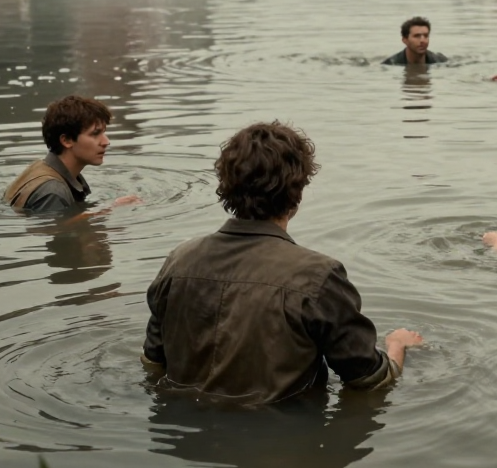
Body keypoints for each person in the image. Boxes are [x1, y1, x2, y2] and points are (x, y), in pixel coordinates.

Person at [142, 121, 423, 404]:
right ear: (297, 192)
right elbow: (368, 379)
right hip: (278, 432)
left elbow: (153, 362)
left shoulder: (178, 260)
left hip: (185, 438)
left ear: (225, 186)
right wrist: (397, 346)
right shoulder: (318, 276)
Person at [2, 95, 140, 214]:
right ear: (67, 140)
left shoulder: (43, 167)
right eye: (95, 134)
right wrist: (111, 208)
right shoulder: (53, 191)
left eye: (104, 132)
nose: (106, 142)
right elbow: (53, 229)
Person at [382, 16, 447, 65]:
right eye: (417, 36)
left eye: (426, 36)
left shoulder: (440, 61)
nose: (422, 40)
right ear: (405, 40)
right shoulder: (391, 64)